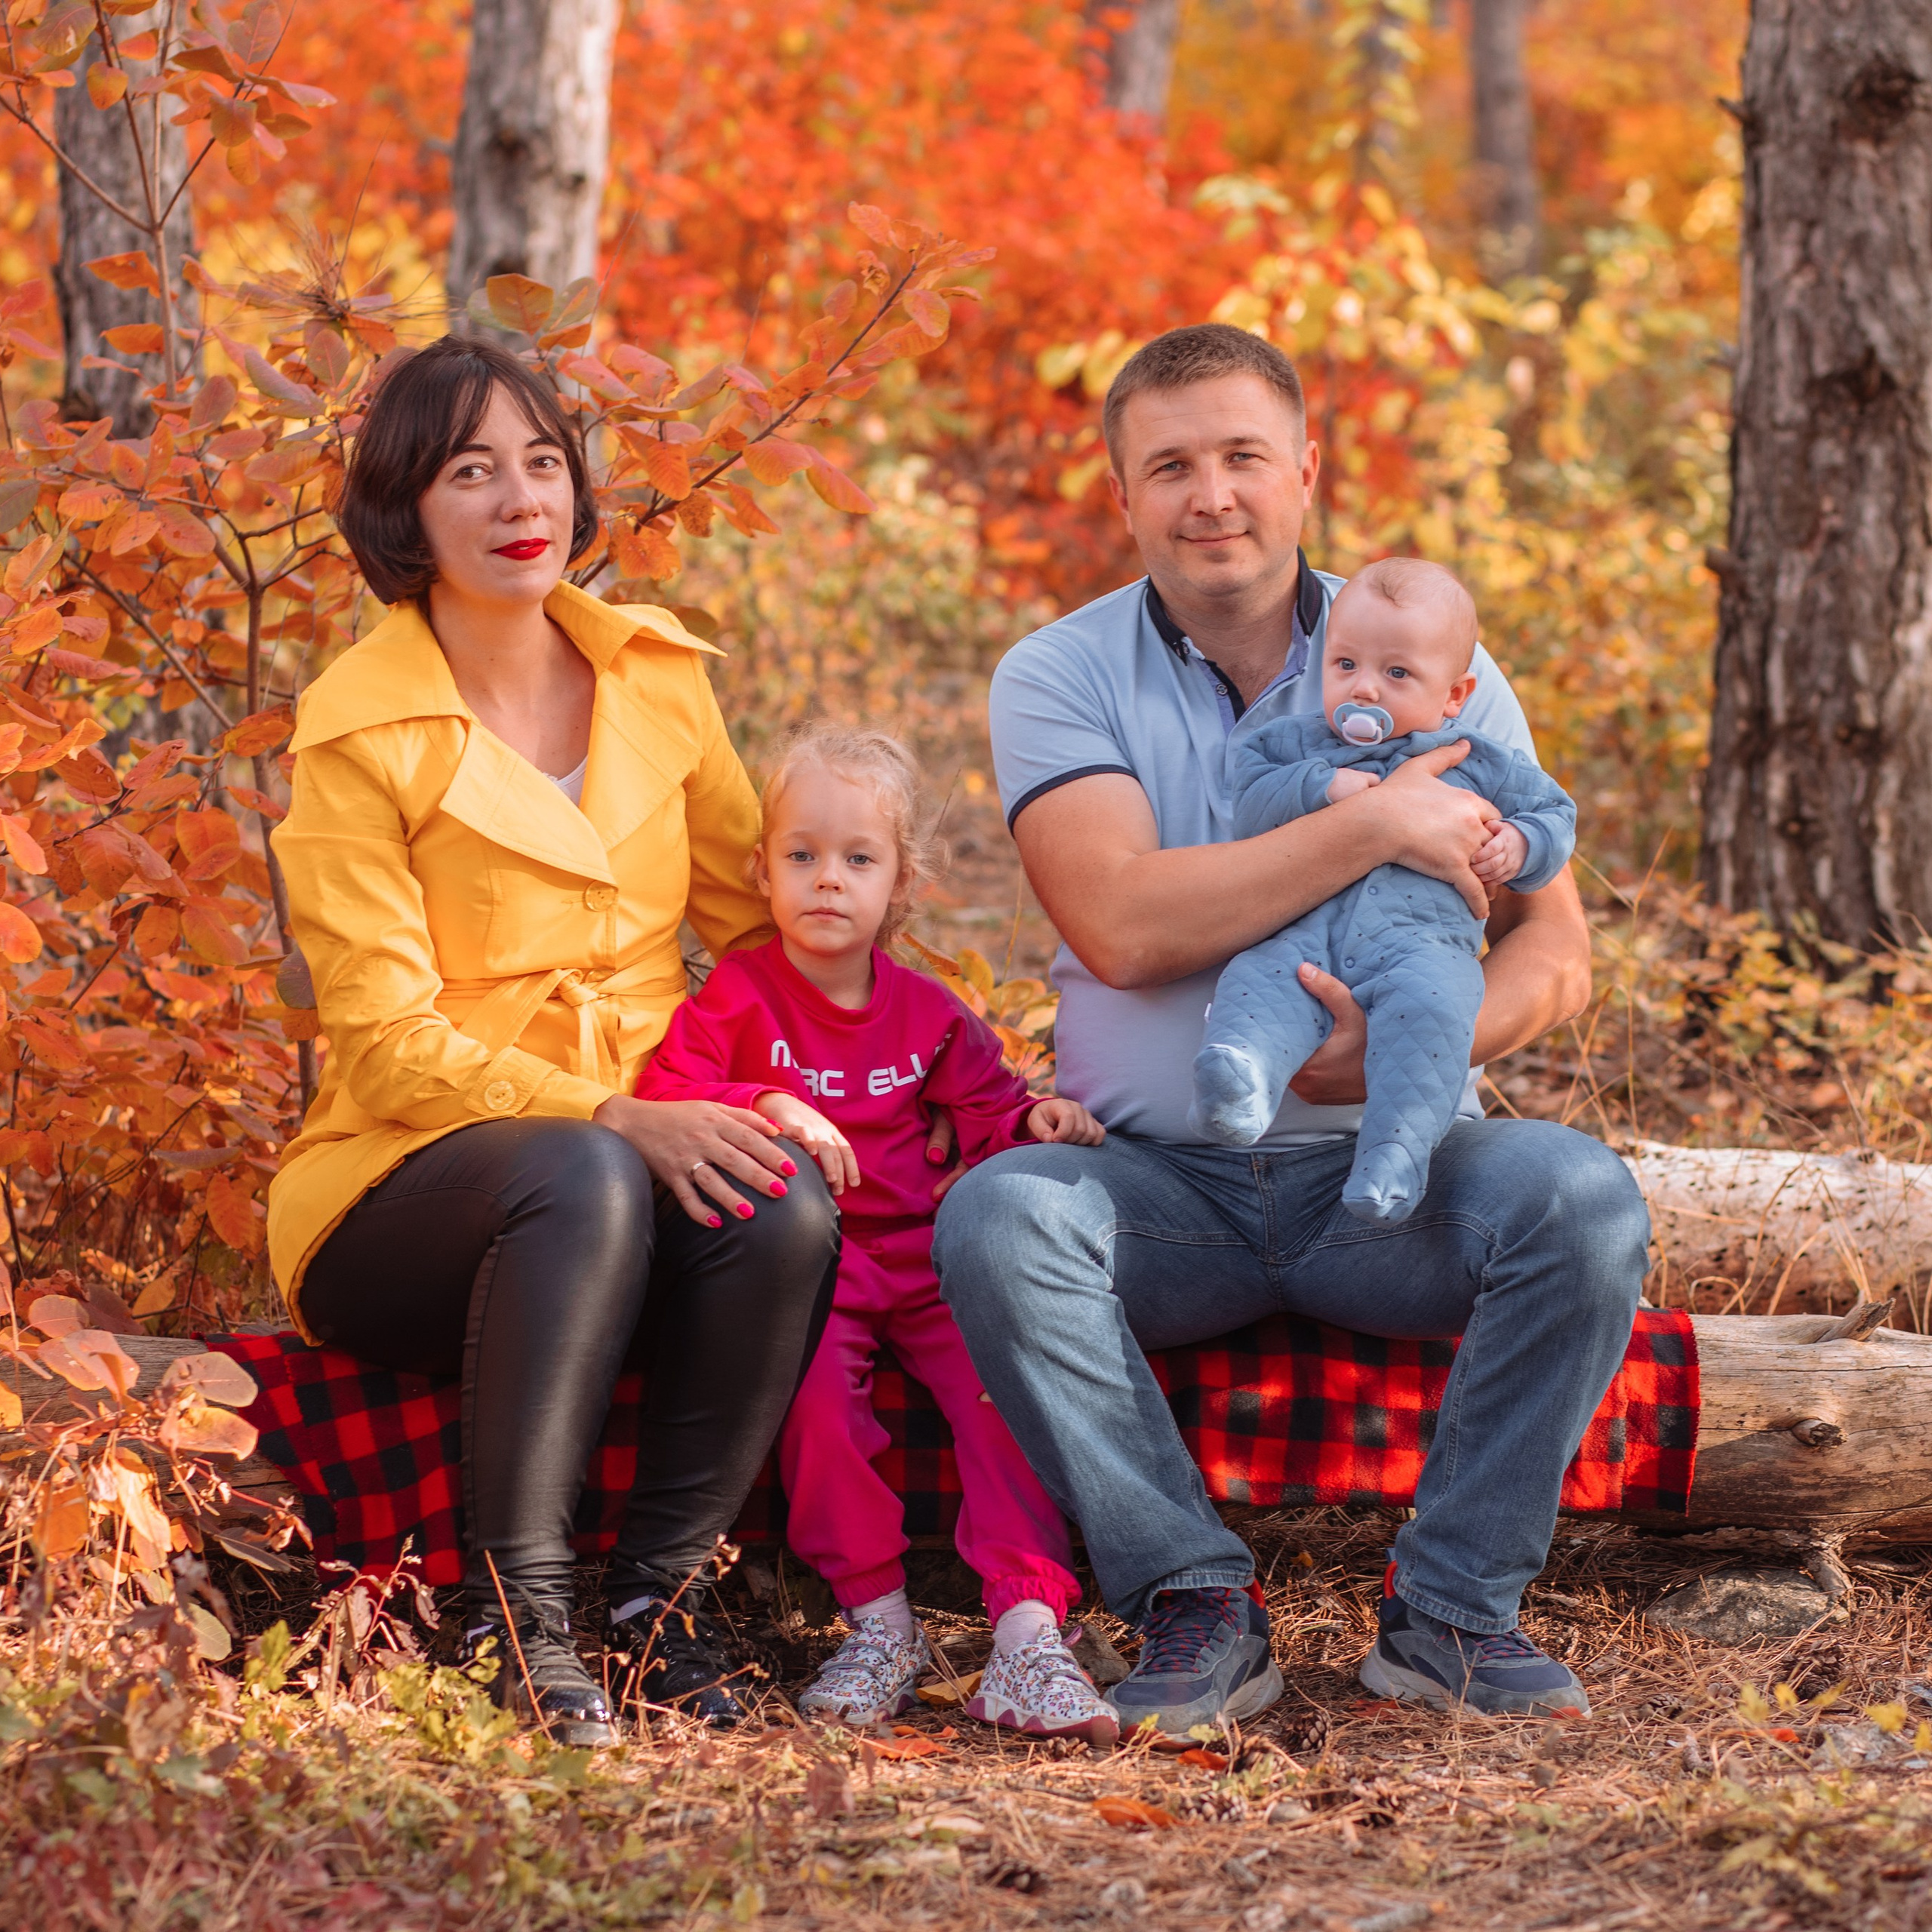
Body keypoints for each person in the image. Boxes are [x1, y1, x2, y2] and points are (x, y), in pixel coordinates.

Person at [932, 324, 1651, 1734]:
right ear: (1124, 492)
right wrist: (1379, 820)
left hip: (1400, 1183)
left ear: (1306, 471)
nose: (1213, 495)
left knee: (1580, 1198)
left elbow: (1557, 950)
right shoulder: (1059, 673)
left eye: (1243, 456)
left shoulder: (1432, 653)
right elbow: (1122, 924)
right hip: (1164, 1187)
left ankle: (1450, 1616)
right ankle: (1195, 1606)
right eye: (1172, 466)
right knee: (1001, 1220)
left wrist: (1409, 1057)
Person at [267, 336, 840, 1746]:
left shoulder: (656, 677)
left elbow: (752, 928)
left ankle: (660, 1605)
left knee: (783, 1202)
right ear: (406, 512)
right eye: (472, 471)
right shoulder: (359, 732)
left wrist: (792, 1084)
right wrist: (616, 1113)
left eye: (542, 462)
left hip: (630, 1153)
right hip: (405, 1188)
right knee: (578, 1175)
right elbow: (391, 1045)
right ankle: (517, 1620)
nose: (521, 499)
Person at [638, 725, 1120, 1745]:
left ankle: (1030, 1630)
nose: (828, 881)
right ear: (761, 869)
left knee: (1003, 1392)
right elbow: (668, 1094)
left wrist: (1034, 1120)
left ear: (899, 884)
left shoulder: (925, 1011)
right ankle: (878, 1622)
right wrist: (768, 1098)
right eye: (802, 856)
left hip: (928, 1259)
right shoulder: (740, 996)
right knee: (811, 1402)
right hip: (817, 1267)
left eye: (858, 860)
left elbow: (988, 1100)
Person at [1191, 557, 1577, 1226]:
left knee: (1433, 1013)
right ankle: (1239, 1082)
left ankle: (1394, 1158)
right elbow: (1250, 802)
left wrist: (1519, 846)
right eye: (1345, 666)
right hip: (1307, 937)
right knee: (1258, 980)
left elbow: (1554, 816)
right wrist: (1321, 788)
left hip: (1423, 945)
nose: (1363, 689)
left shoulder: (1476, 759)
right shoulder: (1293, 745)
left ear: (1454, 696)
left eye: (1396, 674)